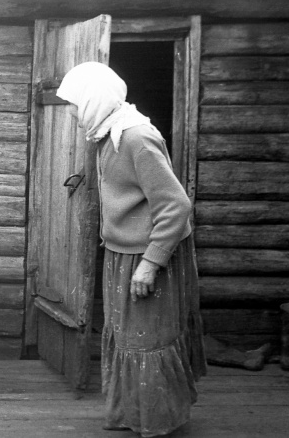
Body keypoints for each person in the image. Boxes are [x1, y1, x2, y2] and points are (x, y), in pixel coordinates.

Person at [56, 62, 207, 438]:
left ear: (93, 100)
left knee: (147, 338)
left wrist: (151, 263)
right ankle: (134, 414)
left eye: (73, 104)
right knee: (128, 336)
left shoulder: (137, 137)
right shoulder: (107, 134)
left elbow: (176, 205)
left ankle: (157, 422)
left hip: (148, 254)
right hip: (125, 252)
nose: (71, 113)